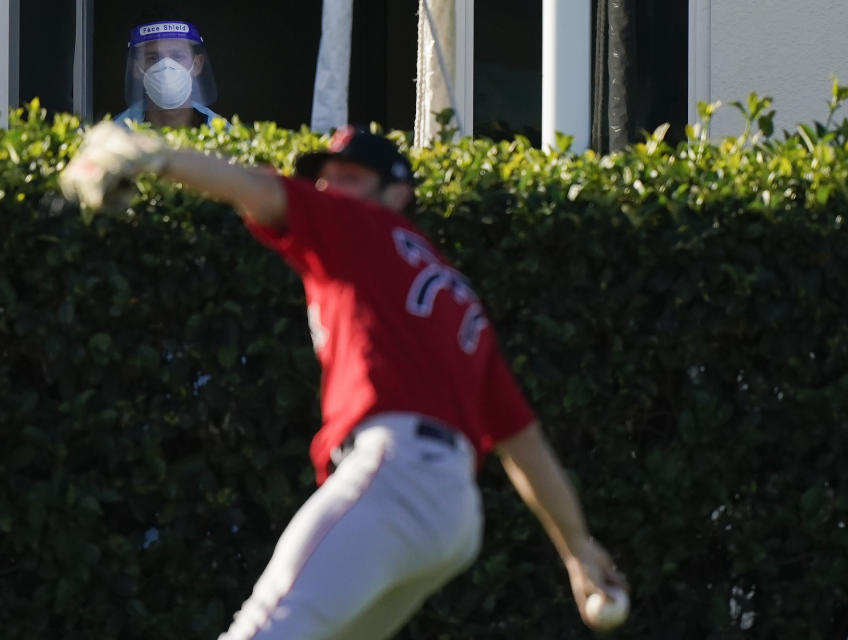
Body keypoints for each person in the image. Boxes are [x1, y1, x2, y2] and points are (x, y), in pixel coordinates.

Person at [59, 122, 629, 638]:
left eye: (350, 176)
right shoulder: (456, 296)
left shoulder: (361, 226)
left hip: (396, 474)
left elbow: (255, 190)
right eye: (325, 179)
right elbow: (522, 441)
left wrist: (156, 157)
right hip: (454, 516)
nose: (330, 190)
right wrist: (575, 546)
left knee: (261, 630)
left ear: (398, 193)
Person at [115, 17, 224, 129]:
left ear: (197, 64)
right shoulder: (117, 136)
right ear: (136, 68)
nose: (165, 67)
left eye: (177, 56)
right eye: (153, 58)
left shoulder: (224, 134)